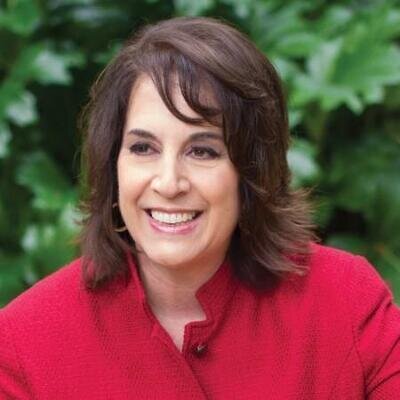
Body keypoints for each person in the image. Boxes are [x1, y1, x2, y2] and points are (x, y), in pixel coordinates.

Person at [0, 16, 399, 400]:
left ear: (252, 171)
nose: (168, 183)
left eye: (202, 151)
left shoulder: (346, 302)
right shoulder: (24, 342)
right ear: (112, 164)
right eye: (143, 148)